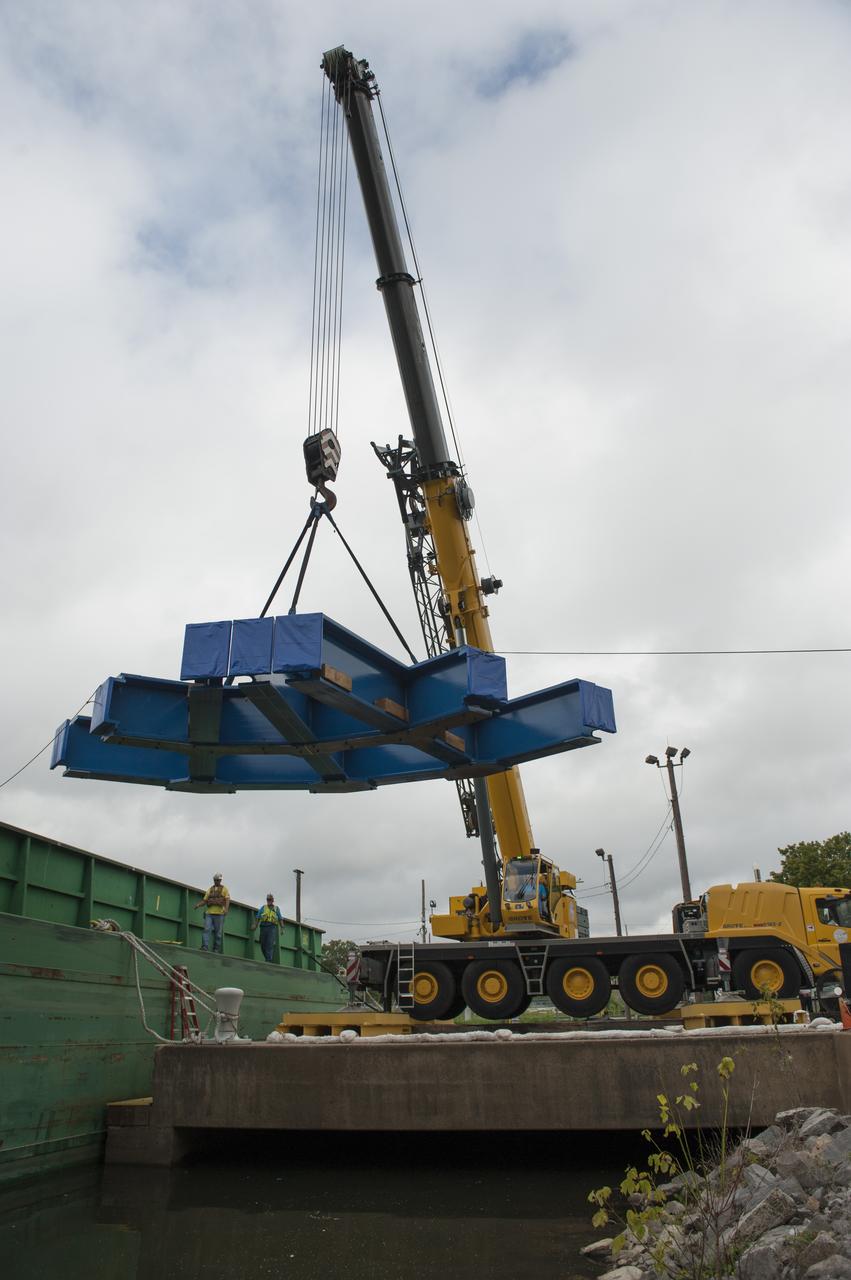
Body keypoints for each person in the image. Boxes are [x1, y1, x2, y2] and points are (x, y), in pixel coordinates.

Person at [194, 873, 230, 953]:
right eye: (215, 880)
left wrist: (226, 909)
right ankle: (204, 947)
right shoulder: (210, 889)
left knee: (218, 933)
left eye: (218, 880)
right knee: (206, 929)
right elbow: (205, 900)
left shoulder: (225, 889)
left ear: (220, 880)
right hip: (209, 913)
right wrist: (198, 905)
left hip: (220, 914)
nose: (216, 881)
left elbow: (227, 899)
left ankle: (216, 949)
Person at [254, 893, 284, 962]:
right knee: (262, 943)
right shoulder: (263, 907)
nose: (268, 901)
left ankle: (268, 960)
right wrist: (255, 925)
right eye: (267, 899)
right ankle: (267, 958)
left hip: (272, 927)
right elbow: (258, 917)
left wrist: (282, 928)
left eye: (270, 899)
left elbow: (280, 918)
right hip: (263, 926)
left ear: (273, 900)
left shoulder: (276, 909)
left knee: (269, 944)